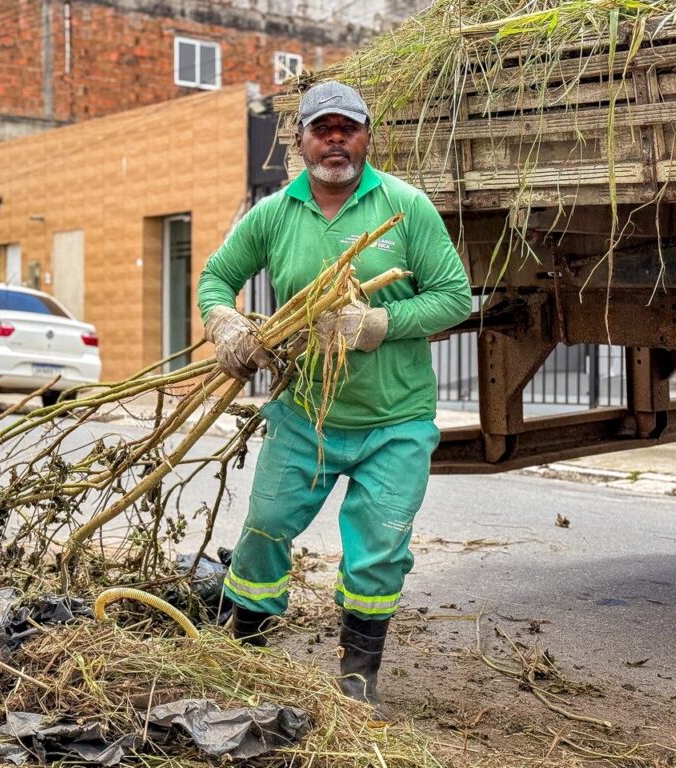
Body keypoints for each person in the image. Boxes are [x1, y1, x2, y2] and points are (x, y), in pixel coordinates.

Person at [197, 81, 472, 715]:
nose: (335, 140)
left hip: (395, 420)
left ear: (367, 136)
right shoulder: (274, 214)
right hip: (304, 414)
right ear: (300, 140)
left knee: (379, 551)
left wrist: (380, 323)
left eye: (347, 128)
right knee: (264, 529)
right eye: (322, 129)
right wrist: (226, 323)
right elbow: (216, 276)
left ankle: (357, 677)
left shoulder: (405, 206)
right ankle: (247, 653)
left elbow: (454, 297)